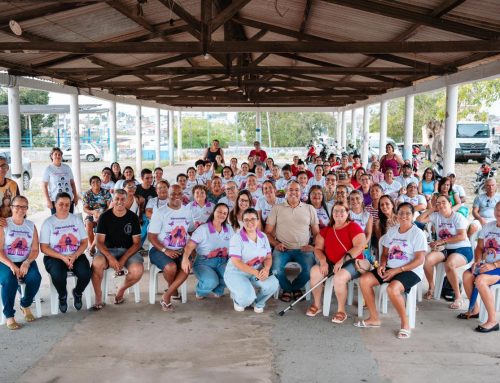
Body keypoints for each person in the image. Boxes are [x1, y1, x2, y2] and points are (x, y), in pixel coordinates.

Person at [357, 203, 427, 339]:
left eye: (408, 213)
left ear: (413, 216)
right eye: (401, 213)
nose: (404, 216)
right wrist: (383, 264)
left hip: (411, 270)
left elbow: (419, 260)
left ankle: (405, 323)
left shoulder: (417, 233)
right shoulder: (393, 231)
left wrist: (397, 270)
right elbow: (384, 253)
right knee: (364, 280)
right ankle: (374, 318)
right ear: (397, 214)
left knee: (392, 289)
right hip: (390, 267)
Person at [305, 201, 367, 321]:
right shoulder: (327, 230)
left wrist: (341, 261)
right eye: (335, 211)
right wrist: (322, 261)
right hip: (331, 262)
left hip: (352, 263)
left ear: (347, 213)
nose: (338, 213)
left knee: (339, 277)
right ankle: (317, 305)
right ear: (332, 213)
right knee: (315, 271)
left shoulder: (354, 227)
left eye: (342, 211)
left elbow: (359, 246)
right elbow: (318, 248)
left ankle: (341, 310)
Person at [265, 181, 319, 302]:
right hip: (283, 248)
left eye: (296, 190)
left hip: (303, 249)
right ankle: (289, 289)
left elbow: (316, 233)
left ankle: (294, 288)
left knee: (309, 270)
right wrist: (276, 244)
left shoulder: (309, 208)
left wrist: (312, 246)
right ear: (285, 192)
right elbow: (267, 232)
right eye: (290, 190)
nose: (293, 192)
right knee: (276, 270)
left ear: (301, 192)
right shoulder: (277, 208)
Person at [416, 195, 472, 308]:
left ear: (450, 204)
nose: (441, 205)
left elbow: (462, 236)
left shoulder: (457, 217)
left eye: (443, 202)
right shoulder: (436, 216)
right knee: (427, 260)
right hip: (445, 249)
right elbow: (419, 220)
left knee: (450, 264)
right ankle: (431, 287)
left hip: (462, 248)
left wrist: (441, 241)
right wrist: (432, 208)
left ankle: (458, 297)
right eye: (438, 203)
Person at [90, 189, 143, 309]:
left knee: (137, 270)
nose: (120, 201)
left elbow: (136, 243)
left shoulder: (132, 217)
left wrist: (123, 259)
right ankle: (99, 296)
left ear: (127, 200)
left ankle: (121, 290)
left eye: (122, 199)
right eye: (117, 199)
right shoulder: (104, 217)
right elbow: (99, 242)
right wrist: (110, 258)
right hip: (107, 250)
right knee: (97, 263)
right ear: (112, 200)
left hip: (128, 250)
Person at [41, 192, 90, 313]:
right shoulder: (48, 223)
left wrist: (75, 255)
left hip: (76, 254)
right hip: (54, 256)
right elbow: (44, 247)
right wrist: (63, 257)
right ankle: (62, 295)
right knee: (58, 275)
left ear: (71, 205)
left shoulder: (76, 220)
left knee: (86, 274)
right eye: (61, 204)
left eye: (67, 205)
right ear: (55, 205)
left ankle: (77, 293)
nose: (64, 207)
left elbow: (84, 242)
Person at [148, 185, 194, 311]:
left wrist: (189, 250)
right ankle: (172, 289)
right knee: (171, 267)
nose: (176, 196)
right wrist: (165, 250)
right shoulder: (160, 212)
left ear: (183, 195)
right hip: (160, 249)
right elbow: (151, 237)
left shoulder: (187, 211)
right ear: (167, 194)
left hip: (181, 249)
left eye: (179, 193)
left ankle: (167, 294)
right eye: (173, 193)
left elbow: (190, 231)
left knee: (187, 265)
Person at [224, 208, 279, 312]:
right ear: (242, 222)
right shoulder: (237, 238)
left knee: (273, 284)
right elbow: (237, 262)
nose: (250, 223)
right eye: (246, 220)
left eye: (253, 219)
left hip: (255, 273)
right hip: (237, 273)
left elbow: (268, 257)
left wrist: (266, 269)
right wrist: (256, 273)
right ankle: (239, 300)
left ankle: (258, 302)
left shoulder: (263, 236)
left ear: (258, 220)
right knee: (245, 300)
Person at [458, 202, 500, 333]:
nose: (499, 213)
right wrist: (477, 261)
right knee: (467, 275)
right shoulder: (488, 226)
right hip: (487, 265)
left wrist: (493, 265)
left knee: (481, 280)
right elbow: (480, 247)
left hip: (496, 266)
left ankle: (493, 321)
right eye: (497, 210)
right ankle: (474, 309)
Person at [0, 196, 41, 330]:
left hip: (24, 260)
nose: (20, 209)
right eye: (17, 206)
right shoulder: (4, 224)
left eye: (24, 206)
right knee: (9, 280)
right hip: (6, 261)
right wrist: (11, 265)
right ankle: (9, 315)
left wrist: (27, 261)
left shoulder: (30, 226)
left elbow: (35, 249)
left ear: (27, 209)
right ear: (11, 208)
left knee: (35, 277)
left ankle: (25, 304)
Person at [181, 203, 234, 299]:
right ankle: (201, 291)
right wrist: (185, 259)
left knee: (231, 277)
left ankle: (218, 290)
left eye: (225, 213)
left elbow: (235, 246)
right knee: (211, 281)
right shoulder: (203, 229)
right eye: (219, 212)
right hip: (204, 262)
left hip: (223, 261)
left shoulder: (229, 229)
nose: (222, 215)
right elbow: (189, 246)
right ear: (214, 212)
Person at [42, 147, 78, 214]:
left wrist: (75, 196)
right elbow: (44, 186)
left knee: (69, 220)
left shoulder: (67, 167)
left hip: (69, 199)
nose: (58, 156)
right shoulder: (48, 169)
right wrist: (48, 200)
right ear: (51, 156)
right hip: (55, 200)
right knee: (56, 222)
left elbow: (72, 183)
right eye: (55, 154)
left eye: (59, 154)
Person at [82, 176, 112, 255]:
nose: (96, 183)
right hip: (92, 214)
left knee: (101, 226)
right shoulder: (87, 194)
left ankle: (94, 246)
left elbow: (109, 207)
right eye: (93, 182)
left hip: (104, 214)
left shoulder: (105, 192)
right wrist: (93, 212)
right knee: (88, 224)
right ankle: (92, 247)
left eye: (98, 181)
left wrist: (102, 214)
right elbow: (85, 209)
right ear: (90, 184)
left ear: (100, 182)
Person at [349, 190, 373, 256]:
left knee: (366, 258)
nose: (355, 201)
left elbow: (368, 233)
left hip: (363, 243)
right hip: (349, 242)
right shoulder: (347, 214)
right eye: (352, 199)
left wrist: (363, 245)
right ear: (349, 201)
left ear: (362, 199)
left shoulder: (368, 216)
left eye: (357, 198)